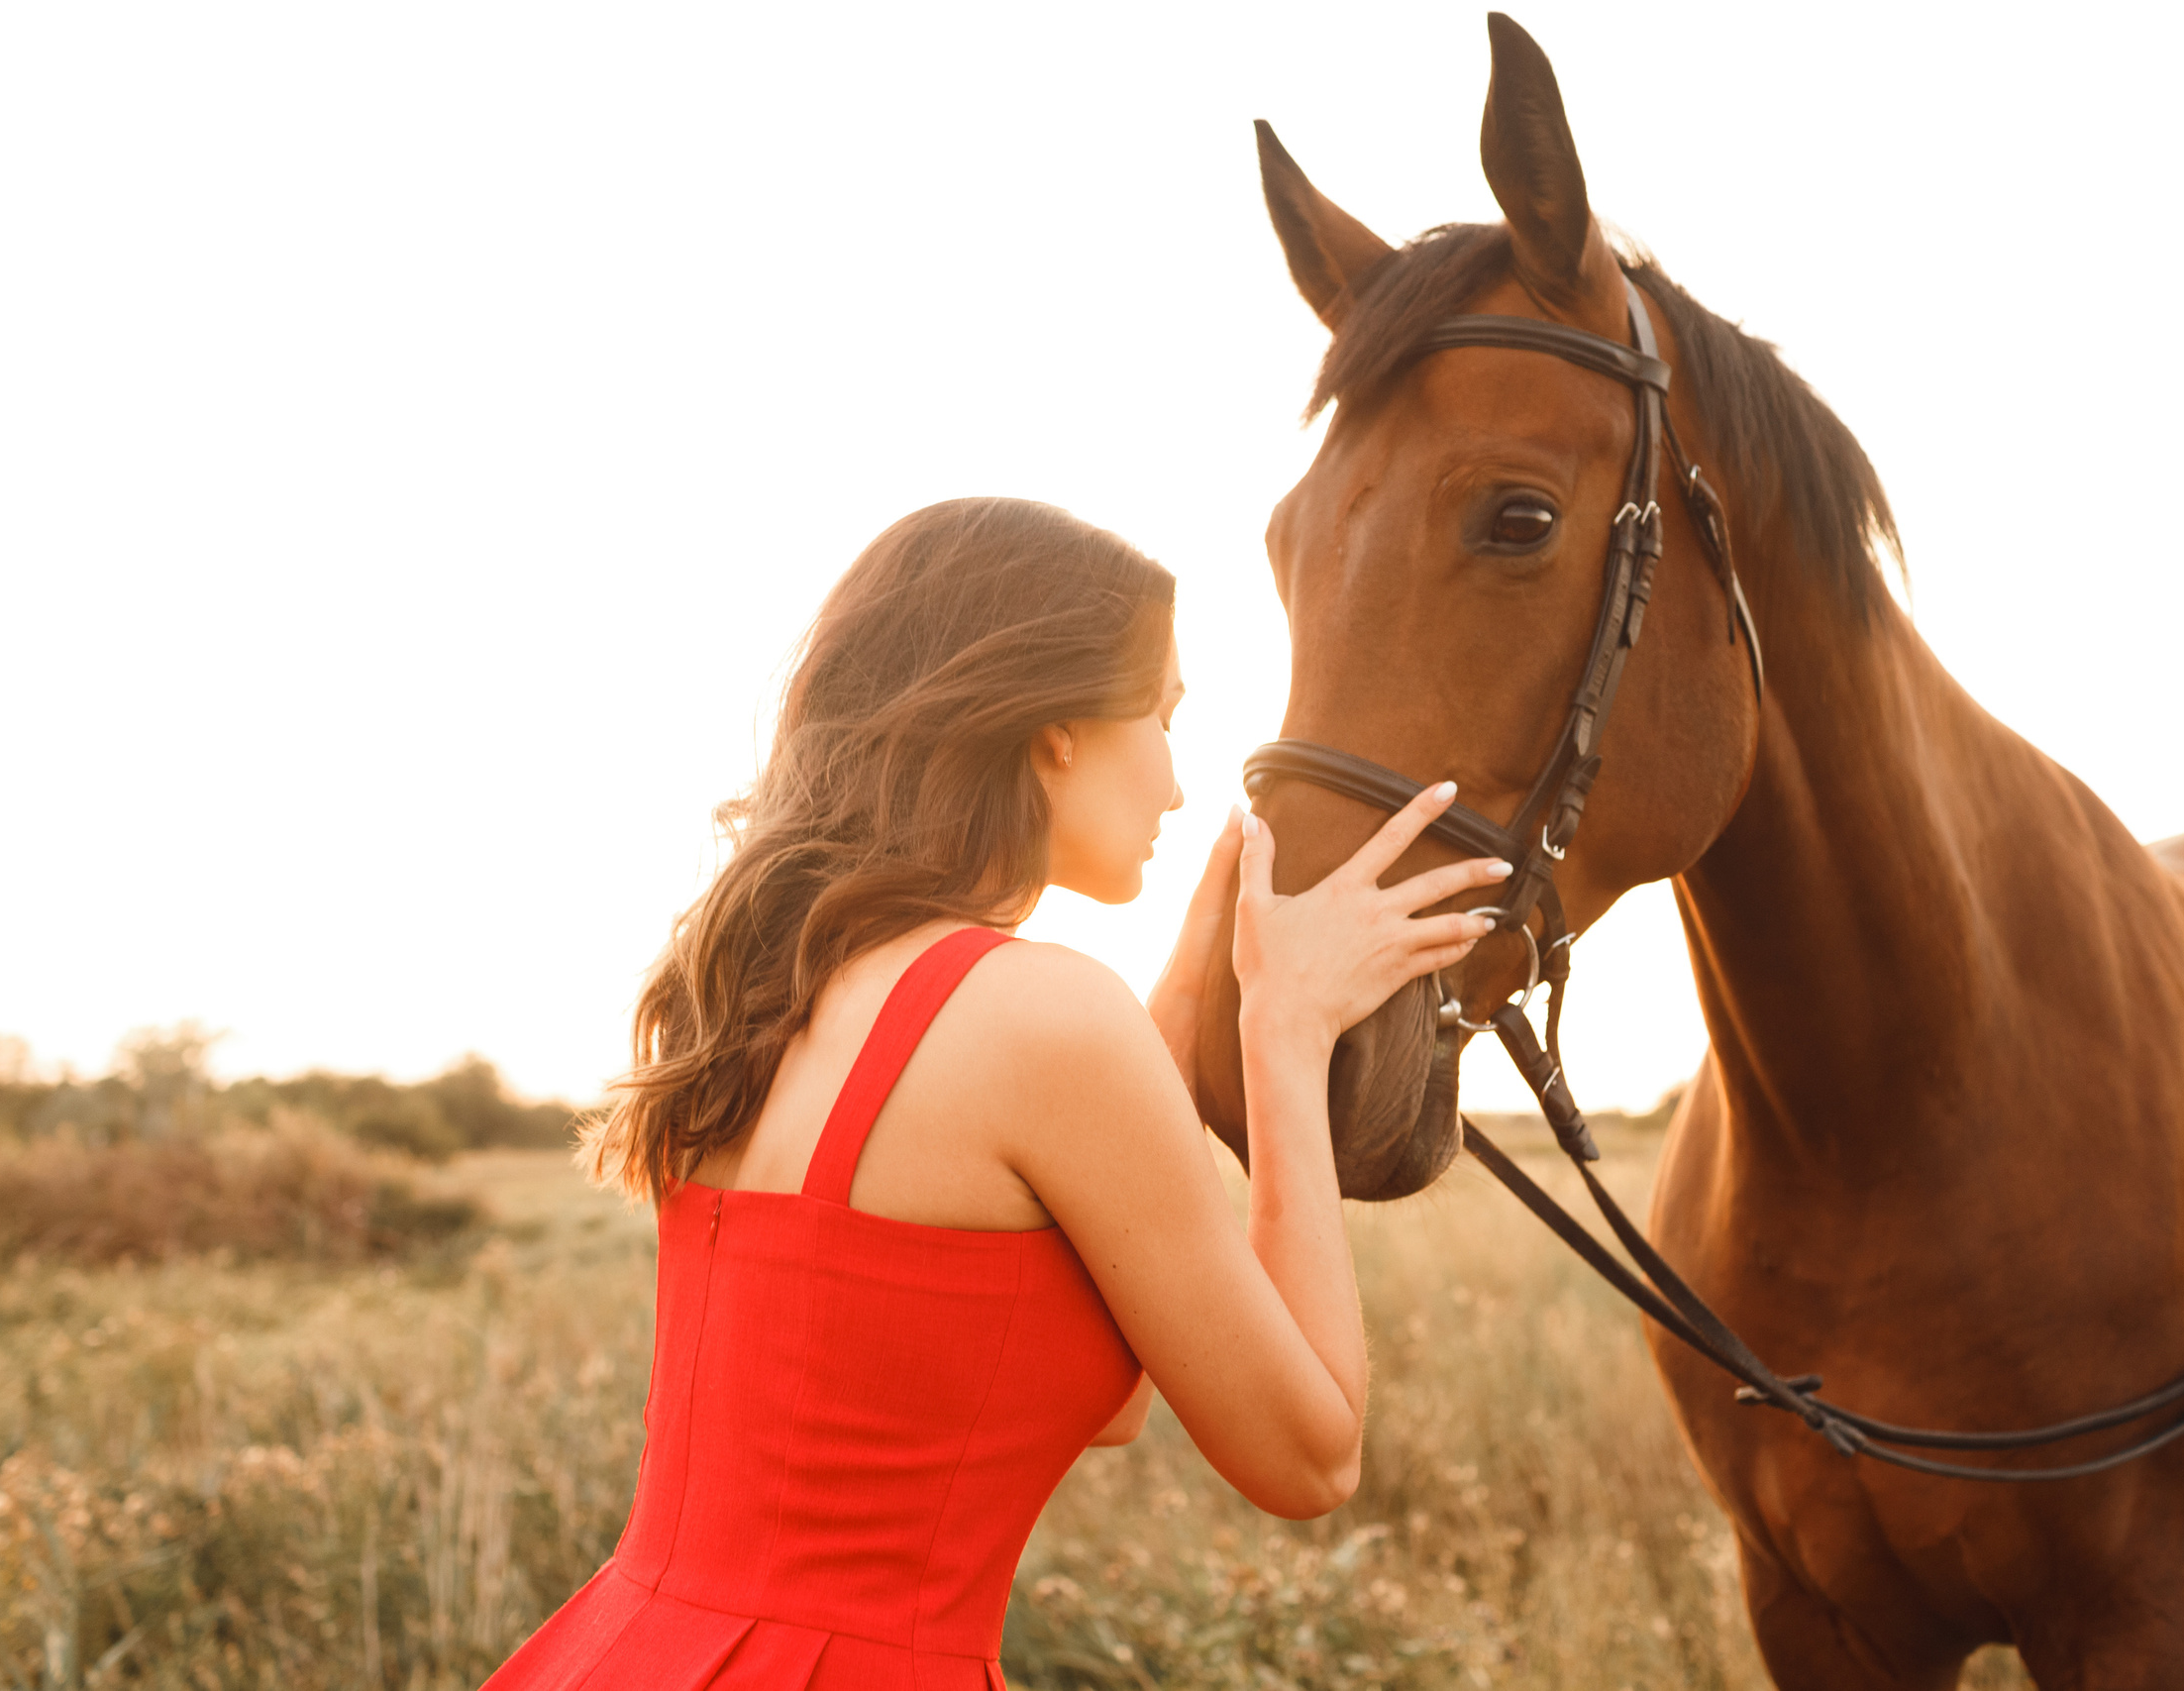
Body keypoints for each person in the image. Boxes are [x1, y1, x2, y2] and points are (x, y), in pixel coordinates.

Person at [483, 496, 1507, 1690]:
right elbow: (1308, 1456)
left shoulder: (771, 993)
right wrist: (1285, 1030)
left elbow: (1089, 1391)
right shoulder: (1043, 1018)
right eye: (1164, 718)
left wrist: (1178, 999)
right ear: (1055, 732)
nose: (1180, 787)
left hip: (629, 1651)